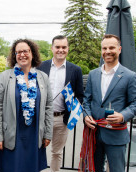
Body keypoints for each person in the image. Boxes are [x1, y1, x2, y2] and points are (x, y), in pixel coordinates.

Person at [0, 39, 54, 172]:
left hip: (34, 134)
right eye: (18, 52)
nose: (22, 54)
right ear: (14, 56)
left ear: (32, 53)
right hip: (12, 135)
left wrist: (48, 133)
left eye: (25, 51)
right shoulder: (5, 77)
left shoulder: (43, 77)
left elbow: (49, 106)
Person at [83, 34, 136, 172]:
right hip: (94, 133)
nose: (107, 51)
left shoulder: (130, 76)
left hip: (116, 135)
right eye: (104, 48)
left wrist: (122, 116)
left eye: (111, 47)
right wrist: (86, 115)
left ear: (119, 49)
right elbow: (87, 100)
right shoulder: (93, 74)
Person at [38, 35, 84, 172]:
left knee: (57, 152)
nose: (61, 50)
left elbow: (80, 95)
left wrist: (74, 110)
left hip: (61, 119)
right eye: (57, 47)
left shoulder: (75, 70)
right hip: (42, 117)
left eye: (64, 47)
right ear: (52, 48)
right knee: (37, 149)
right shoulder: (41, 66)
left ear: (67, 49)